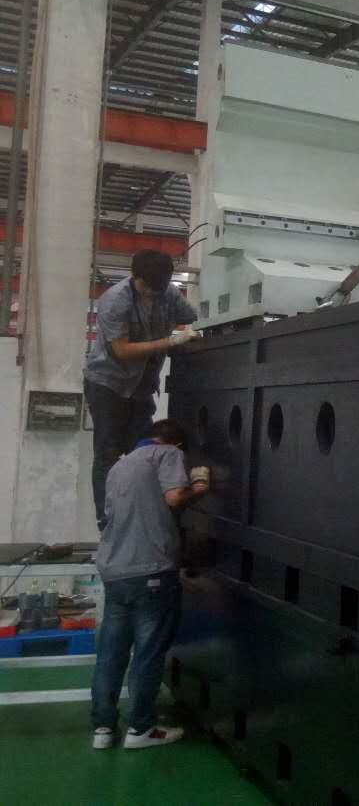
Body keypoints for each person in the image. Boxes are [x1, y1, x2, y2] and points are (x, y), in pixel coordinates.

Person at [90, 419, 209, 750]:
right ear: (175, 443)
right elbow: (174, 497)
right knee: (148, 652)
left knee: (111, 653)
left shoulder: (119, 466)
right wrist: (199, 487)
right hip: (151, 570)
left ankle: (103, 728)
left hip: (115, 570)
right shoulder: (168, 454)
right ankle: (141, 728)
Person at [84, 249, 199, 531]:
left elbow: (191, 315)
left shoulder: (167, 293)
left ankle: (149, 513)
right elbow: (122, 351)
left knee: (148, 448)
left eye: (158, 289)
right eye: (147, 288)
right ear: (134, 277)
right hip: (108, 385)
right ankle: (107, 519)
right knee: (108, 452)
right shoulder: (115, 300)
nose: (152, 294)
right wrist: (169, 342)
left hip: (141, 388)